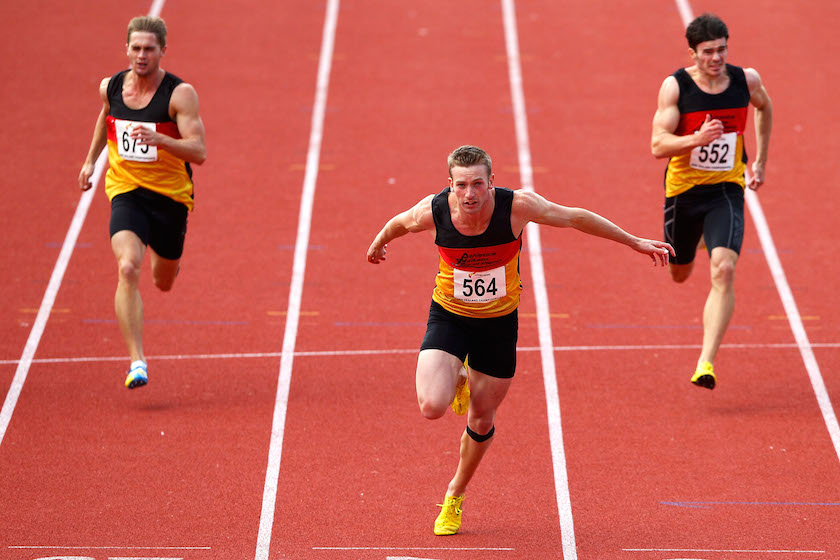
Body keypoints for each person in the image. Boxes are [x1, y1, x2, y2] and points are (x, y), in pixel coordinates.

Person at [366, 145, 673, 535]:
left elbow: (575, 217)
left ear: (492, 182)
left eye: (478, 184)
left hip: (498, 324)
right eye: (461, 185)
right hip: (450, 316)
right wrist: (379, 242)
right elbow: (399, 223)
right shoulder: (434, 211)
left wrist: (633, 241)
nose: (470, 194)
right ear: (451, 185)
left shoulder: (517, 207)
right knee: (431, 407)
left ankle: (455, 493)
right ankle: (458, 373)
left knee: (481, 419)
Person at [78, 16, 207, 389]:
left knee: (162, 281)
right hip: (126, 189)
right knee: (128, 266)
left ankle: (168, 263)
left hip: (170, 197)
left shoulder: (179, 95)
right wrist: (90, 161)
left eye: (149, 48)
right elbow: (106, 117)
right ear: (127, 49)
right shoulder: (112, 87)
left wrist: (161, 140)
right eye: (135, 48)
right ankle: (137, 361)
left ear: (162, 51)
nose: (142, 55)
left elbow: (199, 151)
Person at [651, 13, 772, 390]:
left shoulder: (745, 81)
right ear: (693, 53)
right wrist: (696, 139)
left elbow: (765, 107)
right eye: (708, 52)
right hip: (684, 192)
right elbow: (657, 145)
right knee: (680, 273)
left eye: (722, 50)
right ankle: (702, 239)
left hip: (726, 189)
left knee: (724, 269)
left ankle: (706, 361)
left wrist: (760, 161)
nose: (716, 58)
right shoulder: (676, 87)